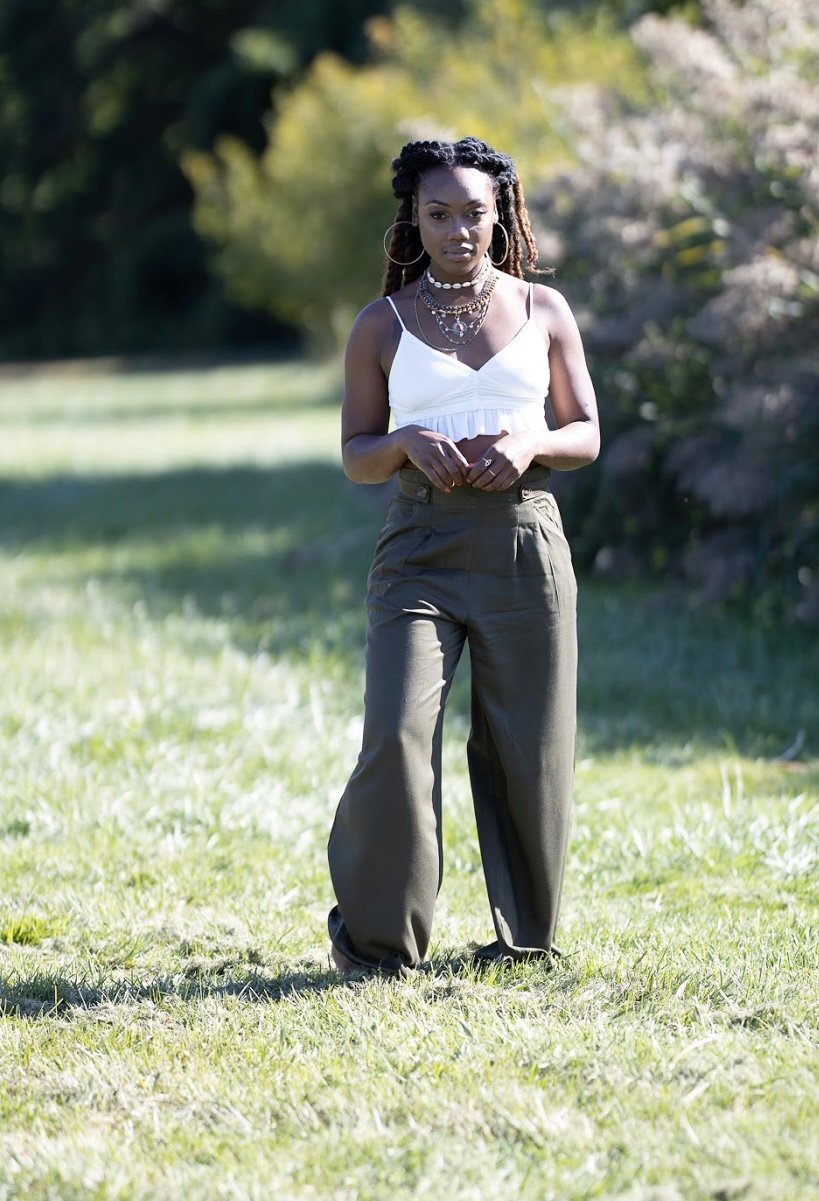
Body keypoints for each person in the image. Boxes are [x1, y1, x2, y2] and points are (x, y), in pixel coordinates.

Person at [327, 136, 600, 976]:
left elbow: (586, 433)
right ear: (413, 216)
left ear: (501, 214)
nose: (457, 229)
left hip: (525, 541)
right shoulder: (382, 323)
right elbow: (355, 453)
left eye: (473, 212)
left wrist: (533, 443)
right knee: (398, 733)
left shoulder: (544, 311)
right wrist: (406, 439)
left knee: (530, 745)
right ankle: (378, 946)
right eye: (438, 213)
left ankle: (526, 939)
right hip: (419, 546)